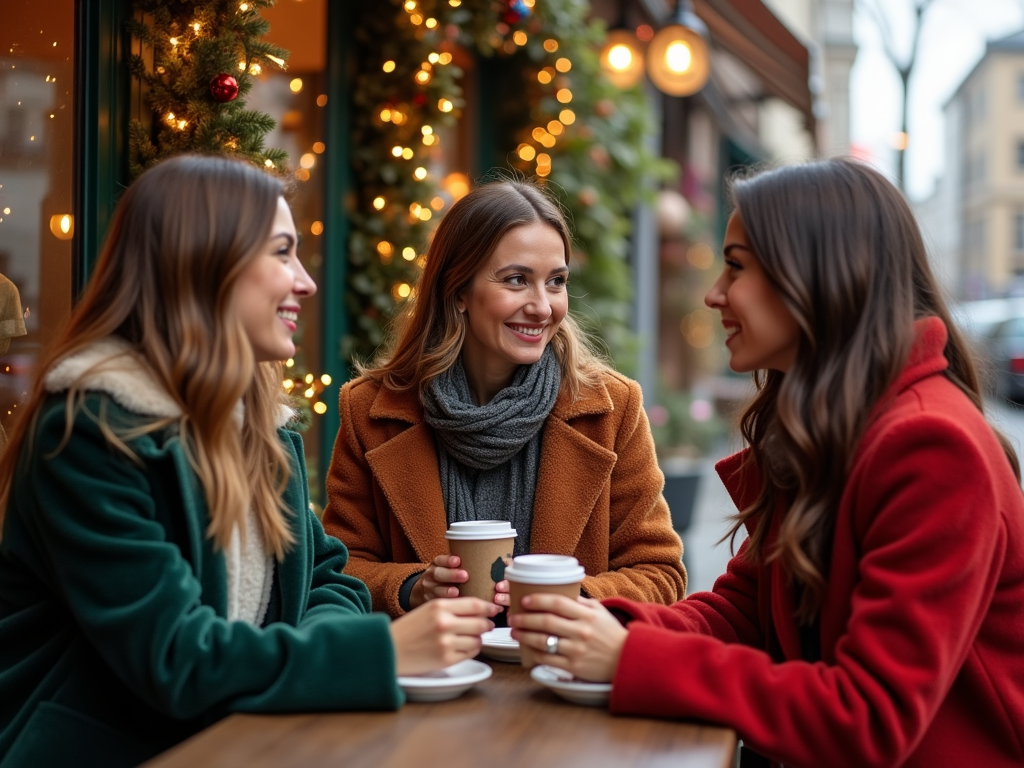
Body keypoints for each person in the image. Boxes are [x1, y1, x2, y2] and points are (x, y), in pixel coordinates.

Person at [508, 158, 1024, 768]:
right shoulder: (829, 429)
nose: (714, 294)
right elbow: (743, 611)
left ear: (816, 277)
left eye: (736, 265)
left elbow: (868, 718)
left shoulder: (934, 447)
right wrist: (601, 624)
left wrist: (629, 657)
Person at [0, 155, 498, 768]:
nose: (305, 282)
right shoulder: (91, 430)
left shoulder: (260, 427)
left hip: (247, 742)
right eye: (281, 253)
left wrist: (306, 659)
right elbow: (176, 660)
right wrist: (381, 654)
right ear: (204, 263)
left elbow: (327, 581)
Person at [321, 179, 686, 618]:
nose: (542, 306)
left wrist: (568, 600)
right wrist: (410, 590)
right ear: (458, 291)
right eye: (516, 280)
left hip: (559, 675)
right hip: (432, 679)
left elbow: (661, 573)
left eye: (556, 282)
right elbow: (341, 569)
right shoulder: (372, 411)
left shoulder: (610, 409)